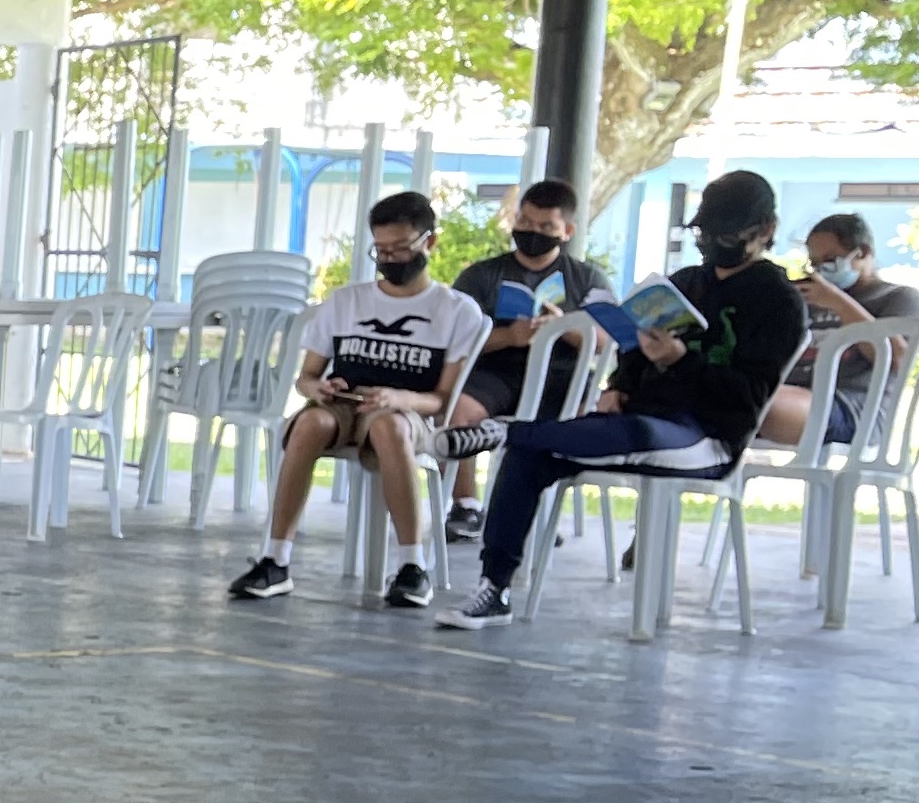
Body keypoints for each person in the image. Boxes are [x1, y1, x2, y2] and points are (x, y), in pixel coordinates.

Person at [429, 169, 809, 626]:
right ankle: (494, 588)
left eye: (728, 235)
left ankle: (503, 431)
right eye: (706, 234)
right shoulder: (686, 281)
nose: (714, 244)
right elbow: (632, 350)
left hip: (707, 436)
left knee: (630, 433)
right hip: (638, 415)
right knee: (528, 455)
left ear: (766, 230)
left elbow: (747, 396)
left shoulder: (779, 301)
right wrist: (619, 387)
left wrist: (681, 360)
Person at [226, 191, 483, 609]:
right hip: (345, 402)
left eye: (400, 248)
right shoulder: (346, 302)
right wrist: (318, 389)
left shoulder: (455, 311)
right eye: (381, 250)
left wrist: (399, 397)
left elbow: (442, 400)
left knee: (389, 425)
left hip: (409, 410)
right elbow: (306, 377)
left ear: (429, 243)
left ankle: (412, 565)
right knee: (309, 423)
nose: (390, 259)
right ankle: (275, 558)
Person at [439, 179, 608, 538]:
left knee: (585, 420)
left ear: (567, 231)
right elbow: (451, 339)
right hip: (496, 373)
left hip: (562, 377)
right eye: (526, 222)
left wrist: (564, 327)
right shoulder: (481, 275)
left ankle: (534, 512)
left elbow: (607, 342)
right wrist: (509, 336)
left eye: (546, 227)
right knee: (453, 409)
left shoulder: (587, 278)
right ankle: (465, 504)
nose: (533, 232)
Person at [759, 210, 919, 448]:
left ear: (862, 252)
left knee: (757, 405)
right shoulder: (810, 297)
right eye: (814, 263)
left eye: (830, 260)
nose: (821, 270)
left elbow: (897, 359)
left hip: (851, 409)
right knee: (729, 400)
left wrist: (838, 302)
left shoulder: (898, 298)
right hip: (790, 395)